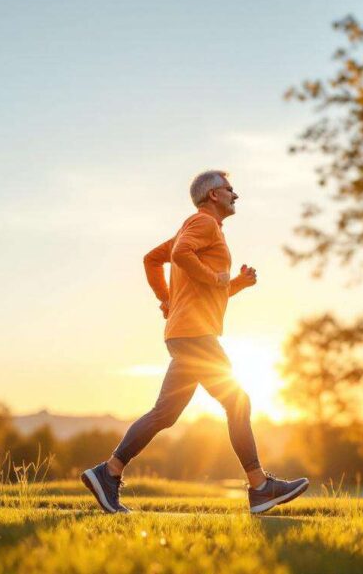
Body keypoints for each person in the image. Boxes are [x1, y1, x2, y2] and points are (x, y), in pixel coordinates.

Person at [81, 170, 308, 515]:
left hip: (186, 333)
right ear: (214, 195)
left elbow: (154, 260)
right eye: (231, 190)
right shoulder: (203, 224)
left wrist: (230, 285)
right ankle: (260, 486)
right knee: (237, 401)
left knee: (164, 414)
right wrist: (207, 281)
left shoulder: (195, 227)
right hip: (195, 334)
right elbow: (182, 256)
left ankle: (108, 472)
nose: (236, 195)